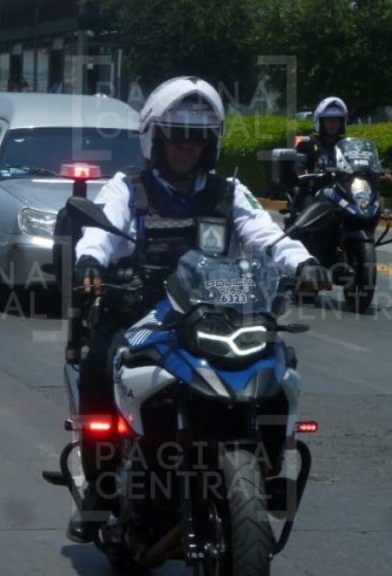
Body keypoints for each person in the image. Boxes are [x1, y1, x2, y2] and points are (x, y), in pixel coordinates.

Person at [65, 76, 331, 542]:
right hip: (141, 314)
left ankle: (266, 474)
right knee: (97, 369)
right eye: (177, 136)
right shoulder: (129, 189)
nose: (186, 147)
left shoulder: (229, 192)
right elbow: (100, 232)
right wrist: (90, 259)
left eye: (197, 137)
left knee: (276, 366)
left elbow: (267, 235)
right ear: (156, 138)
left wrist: (303, 261)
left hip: (216, 311)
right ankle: (102, 491)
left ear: (209, 143)